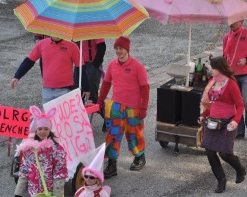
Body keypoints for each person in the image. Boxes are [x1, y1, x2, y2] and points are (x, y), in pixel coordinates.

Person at [96, 36, 150, 178]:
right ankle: (112, 164)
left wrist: (143, 107)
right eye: (116, 49)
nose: (118, 51)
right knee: (112, 135)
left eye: (121, 48)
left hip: (133, 107)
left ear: (127, 49)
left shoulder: (137, 66)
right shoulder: (112, 65)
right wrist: (100, 100)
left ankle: (139, 157)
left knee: (134, 134)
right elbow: (107, 83)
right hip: (116, 106)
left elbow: (145, 88)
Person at [199, 56, 246, 193]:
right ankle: (221, 179)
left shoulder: (231, 84)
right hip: (213, 122)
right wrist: (203, 115)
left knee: (224, 154)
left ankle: (239, 168)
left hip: (227, 124)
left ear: (220, 69)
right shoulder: (212, 82)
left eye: (213, 68)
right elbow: (211, 103)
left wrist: (235, 121)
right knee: (209, 151)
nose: (211, 70)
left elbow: (240, 105)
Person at [10, 36, 90, 105]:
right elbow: (29, 61)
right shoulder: (42, 44)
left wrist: (86, 88)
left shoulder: (72, 46)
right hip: (47, 90)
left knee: (61, 120)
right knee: (48, 119)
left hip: (65, 90)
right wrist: (17, 76)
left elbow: (81, 68)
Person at [15, 106, 68, 197]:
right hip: (34, 191)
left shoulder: (56, 150)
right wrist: (18, 192)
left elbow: (59, 173)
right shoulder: (29, 149)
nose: (42, 132)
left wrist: (58, 194)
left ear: (50, 130)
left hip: (49, 191)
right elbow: (24, 171)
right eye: (40, 129)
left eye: (46, 129)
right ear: (35, 130)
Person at [74, 39, 107, 132]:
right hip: (78, 65)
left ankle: (108, 118)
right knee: (76, 96)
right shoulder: (74, 29)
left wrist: (95, 64)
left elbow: (102, 47)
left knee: (92, 99)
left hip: (91, 65)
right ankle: (80, 124)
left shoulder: (93, 27)